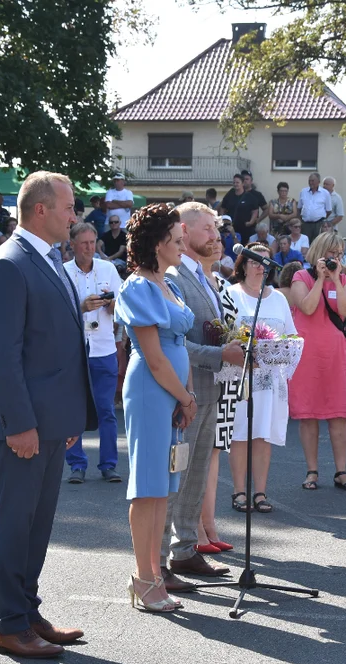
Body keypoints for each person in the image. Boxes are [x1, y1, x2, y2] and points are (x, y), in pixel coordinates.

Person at [0, 171, 92, 655]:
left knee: (37, 523)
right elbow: (2, 355)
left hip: (50, 421)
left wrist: (65, 421)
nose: (75, 216)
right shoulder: (7, 264)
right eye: (69, 208)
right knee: (15, 522)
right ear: (40, 210)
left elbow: (57, 347)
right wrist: (22, 424)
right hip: (24, 424)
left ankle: (27, 609)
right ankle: (10, 624)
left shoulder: (47, 259)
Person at [115, 203, 196, 613]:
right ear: (159, 242)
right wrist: (184, 397)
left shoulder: (171, 285)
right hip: (151, 389)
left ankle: (152, 576)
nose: (184, 246)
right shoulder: (138, 287)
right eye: (178, 240)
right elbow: (153, 356)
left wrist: (187, 395)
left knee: (163, 486)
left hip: (172, 390)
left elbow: (177, 348)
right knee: (147, 487)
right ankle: (144, 579)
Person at [159, 202, 244, 586]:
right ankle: (157, 560)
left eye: (216, 229)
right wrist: (221, 353)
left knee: (195, 475)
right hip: (183, 392)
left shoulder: (209, 277)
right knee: (173, 475)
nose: (216, 235)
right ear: (185, 232)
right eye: (208, 228)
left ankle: (185, 550)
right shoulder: (172, 276)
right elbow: (170, 345)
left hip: (212, 388)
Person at [227, 242, 296, 513]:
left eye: (266, 262)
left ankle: (260, 492)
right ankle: (239, 491)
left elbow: (291, 335)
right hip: (240, 376)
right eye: (255, 260)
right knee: (241, 434)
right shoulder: (231, 294)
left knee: (262, 435)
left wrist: (280, 348)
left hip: (270, 380)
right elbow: (223, 333)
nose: (260, 266)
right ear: (243, 264)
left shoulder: (278, 298)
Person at [290, 232, 346, 491]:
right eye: (331, 254)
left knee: (339, 414)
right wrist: (319, 279)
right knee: (308, 415)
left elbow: (344, 311)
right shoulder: (300, 277)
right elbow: (306, 308)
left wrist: (336, 280)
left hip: (335, 355)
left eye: (339, 254)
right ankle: (312, 471)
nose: (335, 259)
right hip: (307, 354)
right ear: (319, 253)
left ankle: (341, 471)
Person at [63, 222, 123, 483]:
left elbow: (123, 310)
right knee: (73, 408)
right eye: (83, 243)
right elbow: (56, 314)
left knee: (106, 409)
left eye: (92, 242)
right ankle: (77, 464)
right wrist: (81, 308)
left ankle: (108, 464)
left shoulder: (108, 268)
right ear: (73, 245)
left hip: (103, 348)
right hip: (73, 351)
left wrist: (112, 306)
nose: (89, 248)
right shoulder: (63, 272)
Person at [197, 232, 239, 552]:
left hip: (227, 376)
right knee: (198, 454)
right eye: (209, 236)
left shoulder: (222, 283)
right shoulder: (194, 282)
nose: (217, 242)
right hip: (203, 373)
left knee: (214, 454)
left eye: (219, 239)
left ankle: (210, 524)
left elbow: (236, 326)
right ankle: (194, 527)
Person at [297, 172, 332, 240]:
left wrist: (320, 218)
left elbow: (329, 211)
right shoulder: (303, 191)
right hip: (306, 224)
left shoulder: (325, 193)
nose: (310, 182)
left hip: (319, 224)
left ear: (318, 182)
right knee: (306, 243)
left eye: (313, 181)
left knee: (318, 243)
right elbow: (299, 208)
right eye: (309, 180)